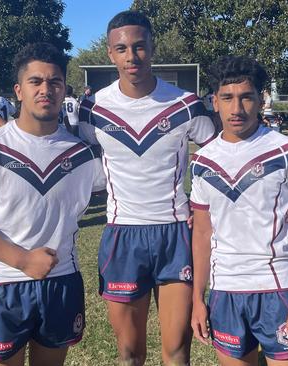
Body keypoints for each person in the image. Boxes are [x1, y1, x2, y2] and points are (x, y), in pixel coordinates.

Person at [0, 42, 104, 366]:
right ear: (19, 90)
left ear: (64, 89)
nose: (46, 89)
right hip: (2, 283)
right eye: (36, 81)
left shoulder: (83, 155)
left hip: (61, 280)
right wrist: (22, 260)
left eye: (55, 82)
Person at [77, 11, 216, 365]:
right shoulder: (92, 108)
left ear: (152, 48)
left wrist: (203, 208)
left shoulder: (185, 104)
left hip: (175, 235)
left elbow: (217, 157)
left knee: (176, 351)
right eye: (121, 49)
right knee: (129, 353)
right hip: (123, 235)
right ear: (110, 54)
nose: (131, 56)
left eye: (139, 47)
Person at [190, 55, 288, 366]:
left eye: (246, 97)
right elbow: (201, 232)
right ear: (214, 102)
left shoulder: (287, 151)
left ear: (261, 99)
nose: (236, 109)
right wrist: (197, 299)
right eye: (227, 98)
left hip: (278, 289)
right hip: (225, 292)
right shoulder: (202, 162)